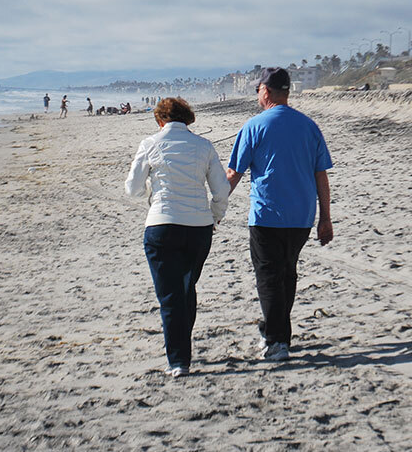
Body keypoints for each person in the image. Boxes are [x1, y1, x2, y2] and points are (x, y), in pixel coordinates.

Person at [226, 67, 333, 362]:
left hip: (267, 215)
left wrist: (215, 207)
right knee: (286, 275)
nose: (257, 94)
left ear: (266, 91)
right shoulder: (308, 126)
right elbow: (321, 176)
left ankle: (276, 341)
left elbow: (234, 173)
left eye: (258, 89)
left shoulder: (255, 126)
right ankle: (274, 332)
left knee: (269, 277)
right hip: (302, 217)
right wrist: (325, 218)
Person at [125, 98, 228, 378]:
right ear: (187, 119)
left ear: (160, 120)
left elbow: (132, 189)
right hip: (198, 228)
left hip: (162, 225)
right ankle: (182, 350)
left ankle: (179, 360)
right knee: (185, 288)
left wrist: (150, 187)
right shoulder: (204, 146)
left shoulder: (150, 144)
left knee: (171, 295)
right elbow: (221, 190)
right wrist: (215, 215)